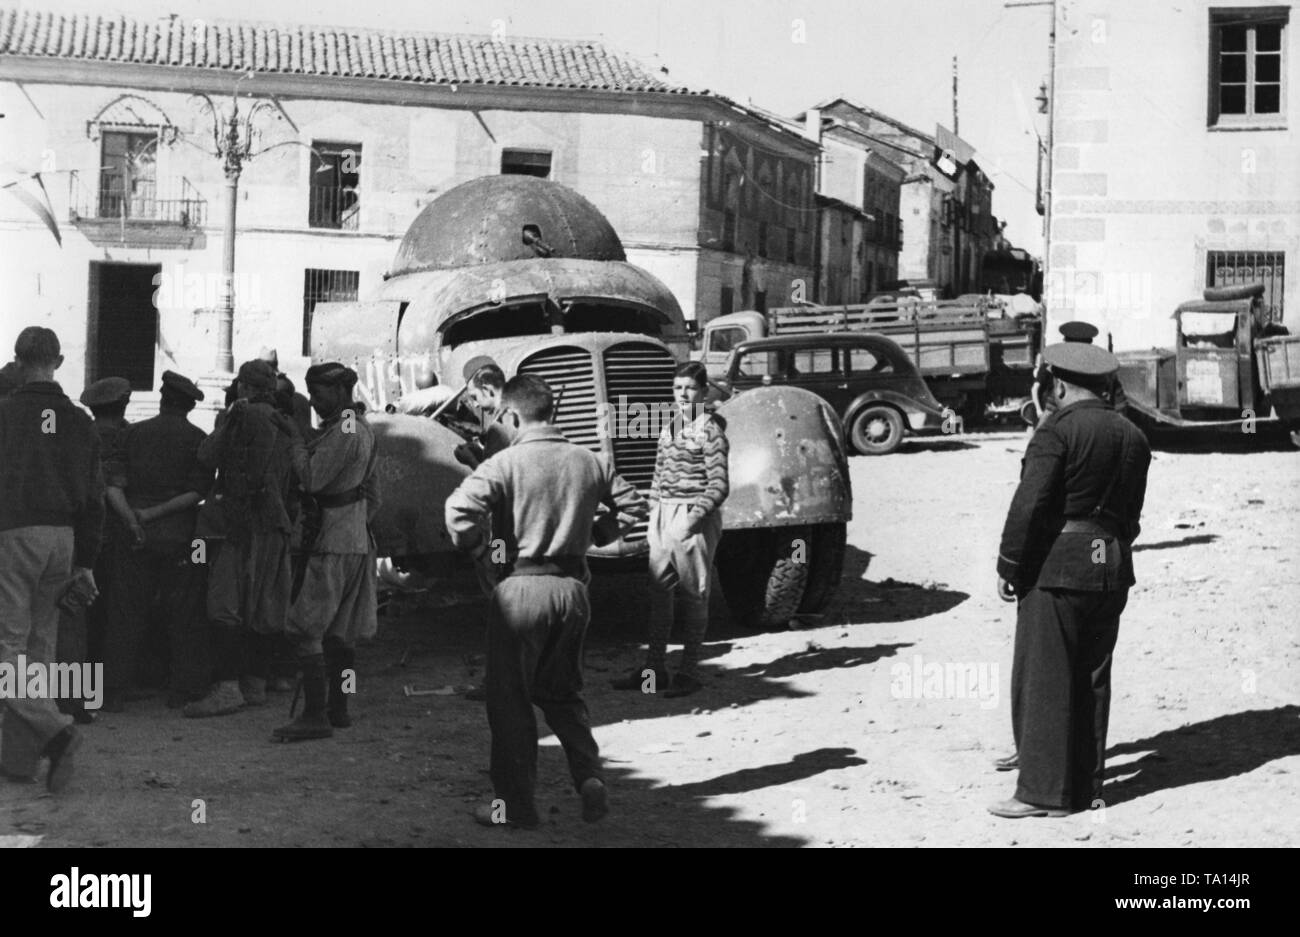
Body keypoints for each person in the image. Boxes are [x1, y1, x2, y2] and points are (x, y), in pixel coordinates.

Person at [445, 374, 647, 829]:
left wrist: (478, 549)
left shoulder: (505, 463)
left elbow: (457, 512)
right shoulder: (592, 461)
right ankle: (590, 777)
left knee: (510, 700)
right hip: (573, 591)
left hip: (520, 591)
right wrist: (596, 534)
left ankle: (515, 806)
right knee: (563, 694)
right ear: (551, 411)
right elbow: (636, 509)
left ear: (513, 415)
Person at [990, 341, 1151, 819]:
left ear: (1057, 384)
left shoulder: (1056, 430)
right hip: (1111, 567)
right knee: (1091, 679)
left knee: (1045, 678)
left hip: (1058, 567)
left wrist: (1008, 564)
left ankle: (1040, 793)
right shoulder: (1133, 435)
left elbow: (1031, 504)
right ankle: (1082, 791)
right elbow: (1133, 515)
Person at [0, 327, 102, 791]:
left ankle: (58, 733)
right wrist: (86, 559)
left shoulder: (4, 414)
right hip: (63, 538)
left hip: (14, 534)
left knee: (7, 652)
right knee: (40, 652)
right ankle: (22, 759)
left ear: (18, 362)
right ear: (58, 362)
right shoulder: (80, 421)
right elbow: (95, 498)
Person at [272, 363, 380, 741]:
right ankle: (340, 708)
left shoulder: (347, 428)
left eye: (319, 394)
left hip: (330, 543)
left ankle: (315, 714)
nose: (315, 402)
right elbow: (374, 495)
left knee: (305, 628)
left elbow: (314, 478)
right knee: (341, 634)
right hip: (355, 540)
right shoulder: (364, 428)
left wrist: (294, 440)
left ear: (341, 391)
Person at [185, 360, 296, 718]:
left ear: (244, 387)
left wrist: (229, 417)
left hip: (237, 524)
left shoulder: (240, 417)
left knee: (225, 605)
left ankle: (228, 688)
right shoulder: (286, 423)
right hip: (276, 523)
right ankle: (256, 683)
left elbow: (207, 455)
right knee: (264, 605)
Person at [612, 360, 729, 698]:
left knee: (694, 595)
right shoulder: (670, 427)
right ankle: (653, 670)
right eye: (677, 388)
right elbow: (658, 473)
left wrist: (691, 521)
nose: (682, 394)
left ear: (704, 392)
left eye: (690, 388)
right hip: (662, 516)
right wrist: (653, 509)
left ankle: (689, 672)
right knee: (659, 592)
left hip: (692, 517)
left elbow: (719, 485)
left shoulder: (711, 431)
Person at [102, 371, 213, 712]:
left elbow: (112, 486)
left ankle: (114, 690)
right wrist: (156, 514)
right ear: (188, 407)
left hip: (134, 535)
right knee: (186, 612)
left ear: (163, 399)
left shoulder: (132, 433)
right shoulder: (199, 439)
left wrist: (134, 519)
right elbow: (198, 492)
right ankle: (183, 689)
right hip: (184, 538)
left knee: (125, 612)